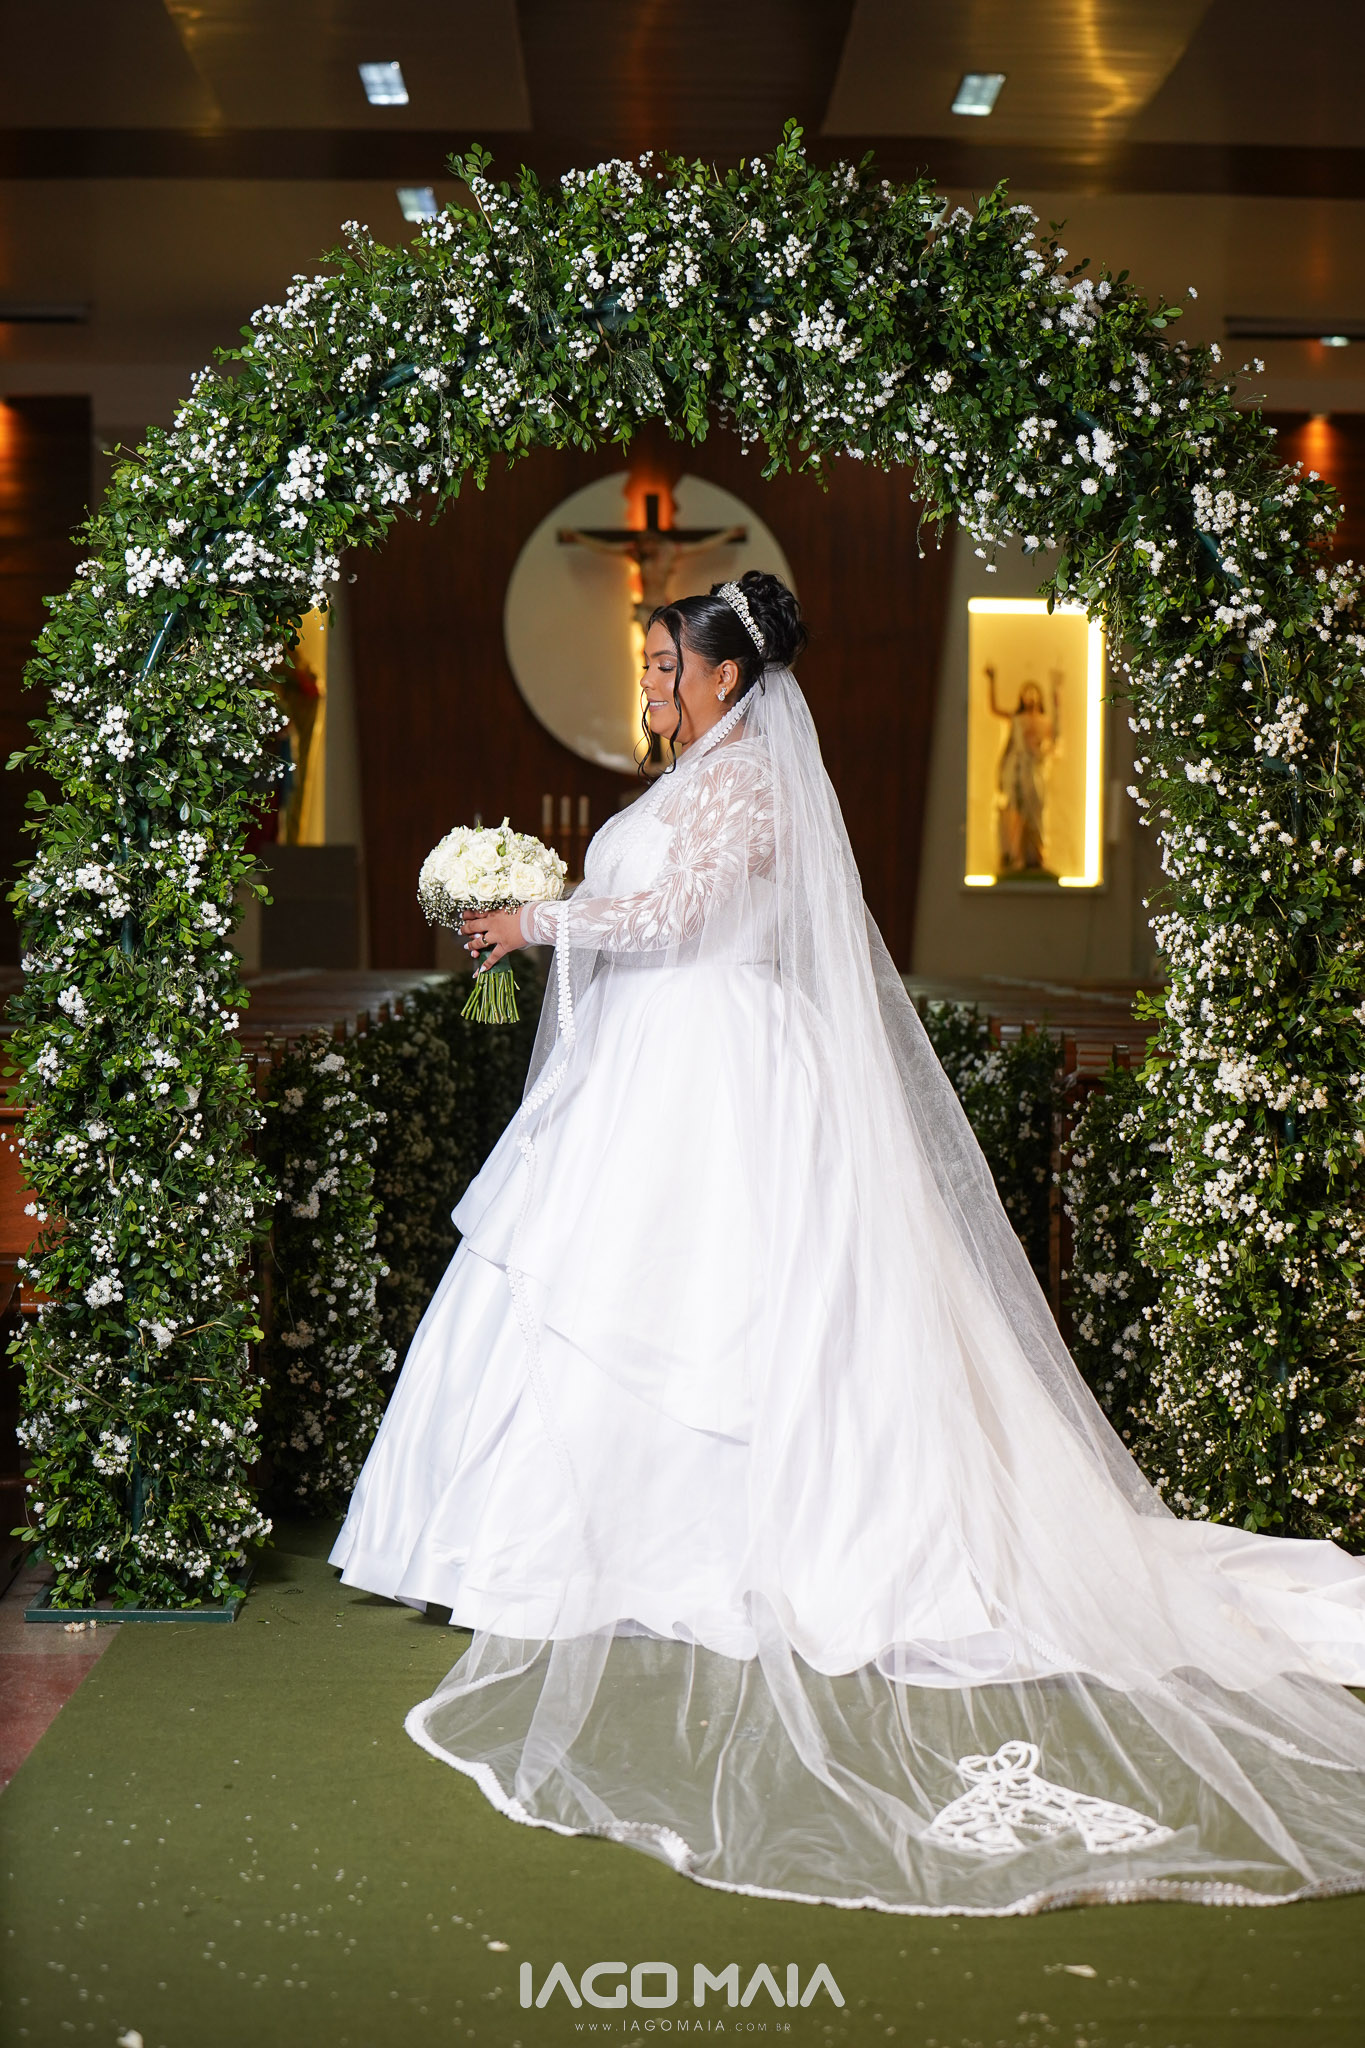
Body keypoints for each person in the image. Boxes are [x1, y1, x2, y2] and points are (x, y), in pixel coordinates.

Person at [330, 571, 1365, 1916]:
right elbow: (644, 915)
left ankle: (687, 1551)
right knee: (581, 1286)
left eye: (666, 664)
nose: (650, 682)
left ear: (726, 676)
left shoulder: (755, 783)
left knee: (724, 1304)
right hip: (643, 1068)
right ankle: (512, 1541)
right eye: (649, 663)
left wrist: (543, 918)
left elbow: (680, 920)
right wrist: (540, 913)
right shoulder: (687, 777)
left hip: (722, 1073)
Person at [986, 664, 1060, 876]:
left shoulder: (1044, 721)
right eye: (1027, 693)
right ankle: (1017, 857)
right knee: (1015, 814)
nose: (1030, 697)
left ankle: (1038, 855)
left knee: (1036, 812)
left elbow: (1055, 738)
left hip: (1035, 771)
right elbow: (995, 710)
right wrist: (992, 680)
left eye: (1033, 693)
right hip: (1017, 771)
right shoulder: (1016, 720)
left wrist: (1057, 695)